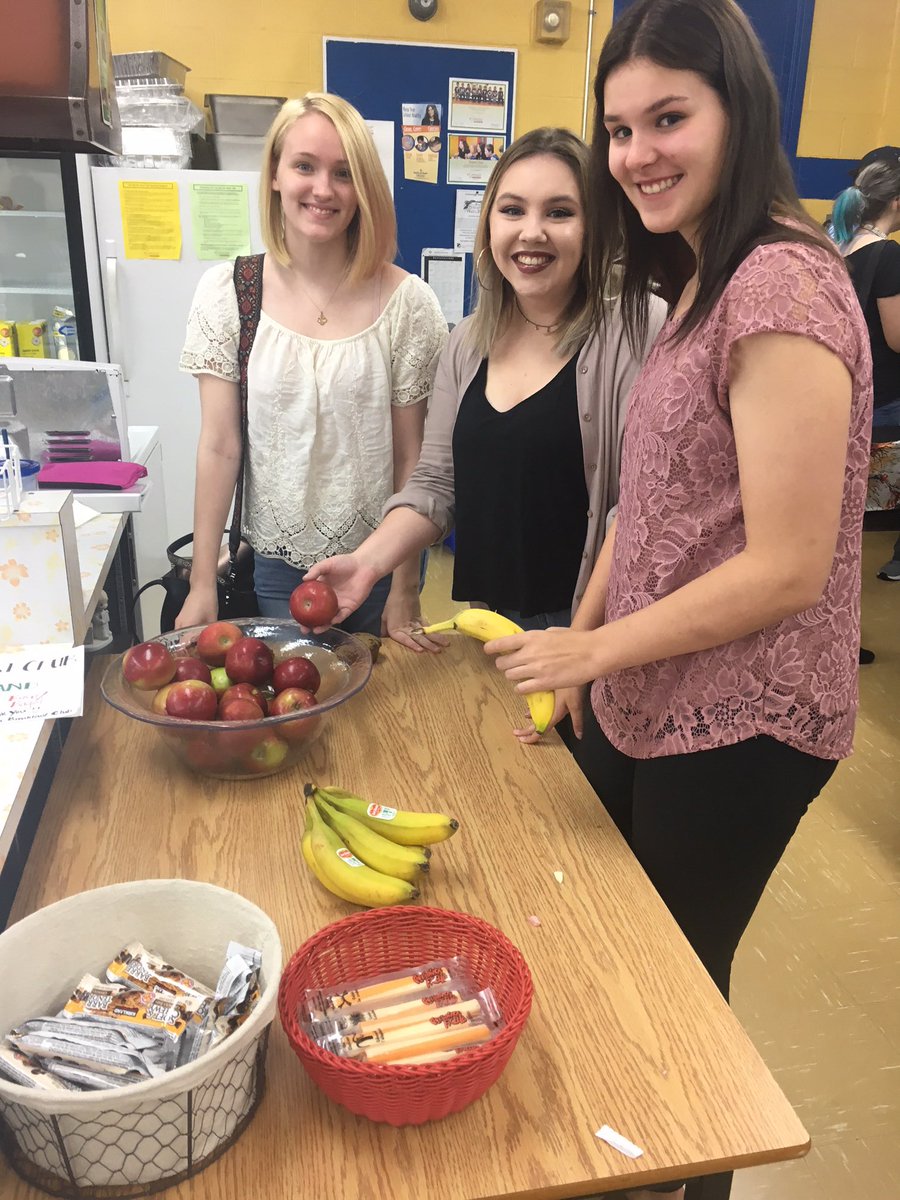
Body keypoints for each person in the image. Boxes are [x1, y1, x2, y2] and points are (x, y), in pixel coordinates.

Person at [484, 5, 871, 1197]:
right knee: (609, 951)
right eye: (620, 127)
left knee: (677, 994)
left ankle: (676, 1177)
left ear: (738, 112)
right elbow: (643, 509)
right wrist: (584, 634)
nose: (638, 152)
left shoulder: (784, 290)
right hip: (652, 685)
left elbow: (787, 566)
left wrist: (588, 658)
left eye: (669, 118)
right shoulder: (703, 276)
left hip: (746, 720)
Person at [303, 127, 665, 737]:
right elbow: (436, 485)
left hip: (597, 627)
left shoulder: (635, 331)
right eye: (513, 210)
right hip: (490, 617)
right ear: (488, 223)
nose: (532, 233)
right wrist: (367, 565)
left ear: (595, 226)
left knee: (577, 807)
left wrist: (581, 649)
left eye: (560, 212)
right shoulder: (469, 341)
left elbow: (637, 512)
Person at [176, 94, 447, 636]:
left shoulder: (407, 305)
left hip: (378, 565)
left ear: (364, 189)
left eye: (344, 173)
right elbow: (219, 445)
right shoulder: (229, 293)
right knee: (284, 711)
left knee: (377, 716)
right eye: (305, 166)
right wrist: (203, 581)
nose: (323, 189)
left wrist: (404, 586)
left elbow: (411, 458)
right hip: (271, 569)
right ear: (275, 174)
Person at [831, 156, 900, 581]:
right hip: (885, 397)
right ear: (896, 202)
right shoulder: (888, 254)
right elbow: (896, 338)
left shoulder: (839, 245)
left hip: (849, 393)